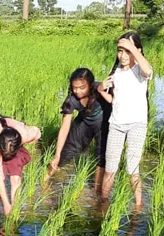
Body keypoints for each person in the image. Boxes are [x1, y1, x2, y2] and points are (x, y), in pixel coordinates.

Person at [98, 32, 153, 207]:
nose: (122, 55)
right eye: (120, 51)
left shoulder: (139, 70)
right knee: (110, 169)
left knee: (132, 169)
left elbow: (149, 71)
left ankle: (137, 207)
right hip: (116, 124)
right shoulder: (116, 74)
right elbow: (114, 100)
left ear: (137, 50)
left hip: (137, 124)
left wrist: (133, 50)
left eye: (127, 51)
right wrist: (100, 90)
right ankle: (103, 204)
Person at [47, 68, 111, 193]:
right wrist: (57, 154)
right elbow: (65, 126)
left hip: (103, 124)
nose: (77, 91)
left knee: (101, 156)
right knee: (66, 152)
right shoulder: (72, 98)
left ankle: (96, 192)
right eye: (74, 87)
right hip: (84, 123)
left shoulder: (100, 89)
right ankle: (44, 182)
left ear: (90, 85)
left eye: (82, 87)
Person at [0, 116, 42, 215]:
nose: (7, 157)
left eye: (10, 155)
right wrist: (6, 204)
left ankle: (15, 207)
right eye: (5, 154)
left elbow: (37, 132)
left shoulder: (24, 133)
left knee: (16, 173)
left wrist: (33, 141)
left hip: (14, 141)